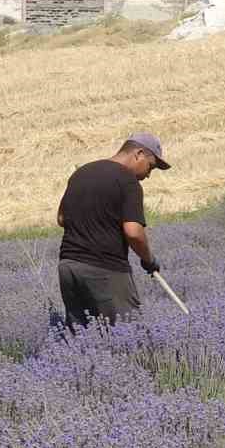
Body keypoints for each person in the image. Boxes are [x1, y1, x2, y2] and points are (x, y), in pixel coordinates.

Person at [55, 133, 169, 328]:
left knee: (82, 338)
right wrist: (148, 260)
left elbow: (61, 218)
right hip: (105, 269)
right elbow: (133, 232)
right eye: (150, 166)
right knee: (129, 334)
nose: (148, 175)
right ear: (138, 154)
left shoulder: (81, 173)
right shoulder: (127, 181)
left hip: (69, 267)